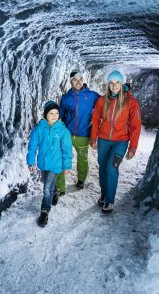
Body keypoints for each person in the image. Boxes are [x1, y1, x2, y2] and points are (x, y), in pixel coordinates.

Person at [90, 70, 142, 213]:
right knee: (102, 167)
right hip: (103, 140)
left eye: (117, 82)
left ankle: (110, 201)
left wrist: (133, 147)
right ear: (108, 85)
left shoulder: (131, 103)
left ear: (122, 83)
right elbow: (95, 120)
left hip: (121, 142)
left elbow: (136, 126)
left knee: (112, 168)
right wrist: (94, 138)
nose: (114, 86)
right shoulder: (102, 100)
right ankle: (104, 194)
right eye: (111, 83)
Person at [27, 100, 72, 227]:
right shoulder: (38, 129)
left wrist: (67, 165)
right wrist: (31, 162)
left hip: (55, 165)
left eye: (56, 113)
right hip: (43, 163)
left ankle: (44, 212)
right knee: (48, 185)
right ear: (45, 114)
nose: (54, 115)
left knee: (46, 189)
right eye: (51, 113)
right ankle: (56, 192)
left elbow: (67, 149)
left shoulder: (63, 131)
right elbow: (32, 146)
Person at [57, 70, 100, 193]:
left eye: (80, 79)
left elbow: (106, 103)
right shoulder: (65, 98)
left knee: (82, 159)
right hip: (68, 134)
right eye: (75, 80)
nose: (78, 82)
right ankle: (60, 187)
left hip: (83, 134)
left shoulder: (92, 96)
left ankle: (81, 180)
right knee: (61, 158)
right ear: (70, 81)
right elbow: (60, 116)